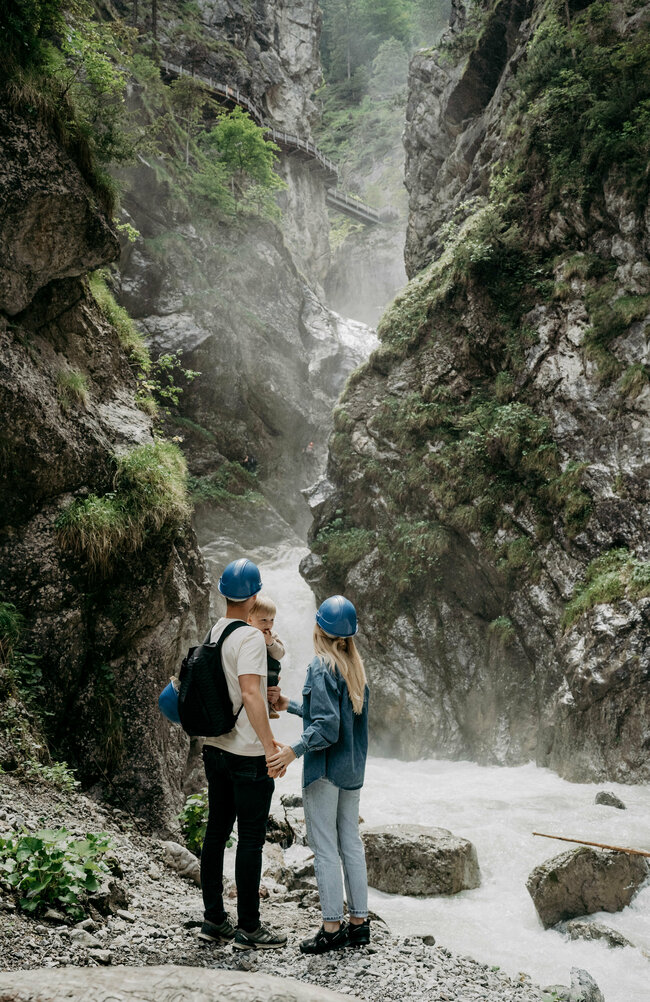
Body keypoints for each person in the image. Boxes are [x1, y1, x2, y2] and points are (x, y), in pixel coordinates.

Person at [268, 595, 370, 954]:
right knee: (351, 845)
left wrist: (292, 751)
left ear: (319, 629)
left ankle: (330, 928)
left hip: (325, 771)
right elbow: (333, 716)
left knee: (325, 848)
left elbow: (327, 727)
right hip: (352, 771)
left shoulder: (321, 666)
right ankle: (358, 924)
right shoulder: (353, 666)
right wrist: (289, 705)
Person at [198, 557, 287, 951]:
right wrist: (271, 747)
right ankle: (249, 928)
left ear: (223, 593)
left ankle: (214, 918)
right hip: (247, 752)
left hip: (215, 746)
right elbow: (251, 692)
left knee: (217, 831)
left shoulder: (217, 630)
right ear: (254, 595)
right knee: (250, 839)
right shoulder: (252, 637)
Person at [247, 593, 285, 719]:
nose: (268, 624)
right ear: (250, 619)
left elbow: (280, 654)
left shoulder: (272, 635)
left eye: (272, 620)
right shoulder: (246, 634)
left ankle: (271, 707)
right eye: (263, 620)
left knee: (272, 682)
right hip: (254, 672)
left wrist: (270, 642)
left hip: (270, 670)